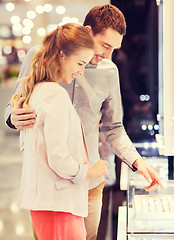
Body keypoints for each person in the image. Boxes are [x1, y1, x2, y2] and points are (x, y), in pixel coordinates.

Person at [5, 4, 163, 240]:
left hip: (89, 183)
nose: (108, 56)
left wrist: (137, 162)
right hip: (48, 184)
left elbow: (113, 127)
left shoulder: (109, 71)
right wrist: (12, 117)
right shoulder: (40, 55)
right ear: (88, 32)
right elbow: (15, 103)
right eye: (105, 46)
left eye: (114, 49)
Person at [10, 23, 108, 240]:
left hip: (49, 204)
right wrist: (90, 172)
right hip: (58, 206)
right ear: (62, 54)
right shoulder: (54, 94)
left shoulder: (37, 91)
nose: (81, 72)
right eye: (80, 63)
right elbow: (58, 157)